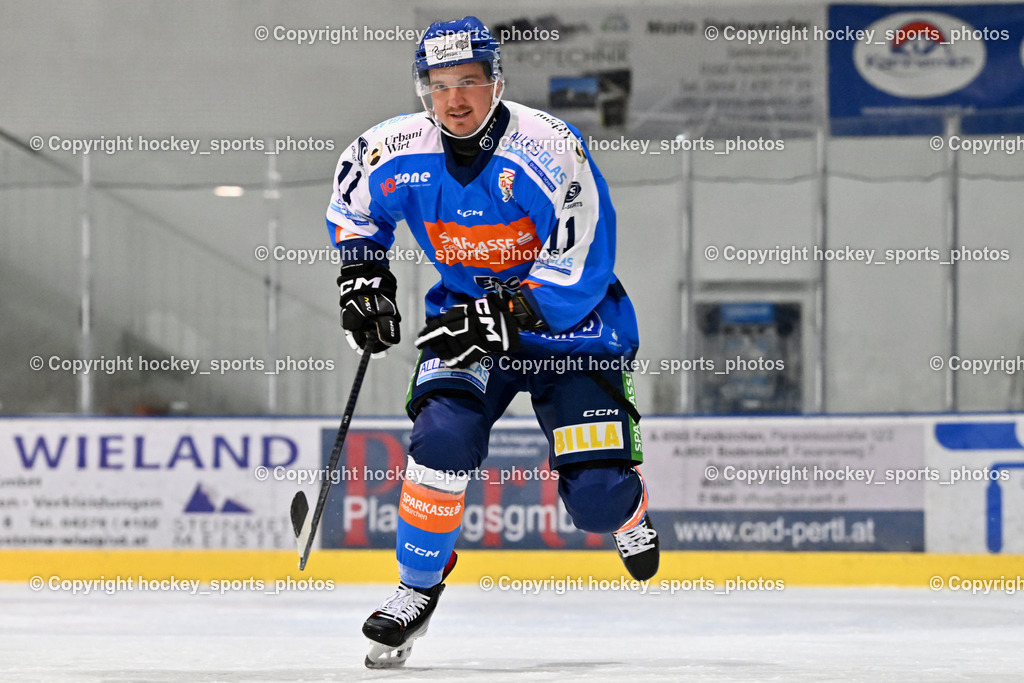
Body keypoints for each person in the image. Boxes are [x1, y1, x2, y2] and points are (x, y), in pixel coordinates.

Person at [325, 16, 659, 669]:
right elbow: (356, 211)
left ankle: (629, 508)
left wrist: (505, 308)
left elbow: (581, 264)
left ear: (497, 82)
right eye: (438, 85)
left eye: (469, 82)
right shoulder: (391, 150)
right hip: (466, 317)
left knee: (594, 500)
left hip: (569, 324)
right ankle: (416, 588)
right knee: (440, 439)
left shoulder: (549, 147)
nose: (453, 99)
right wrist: (363, 278)